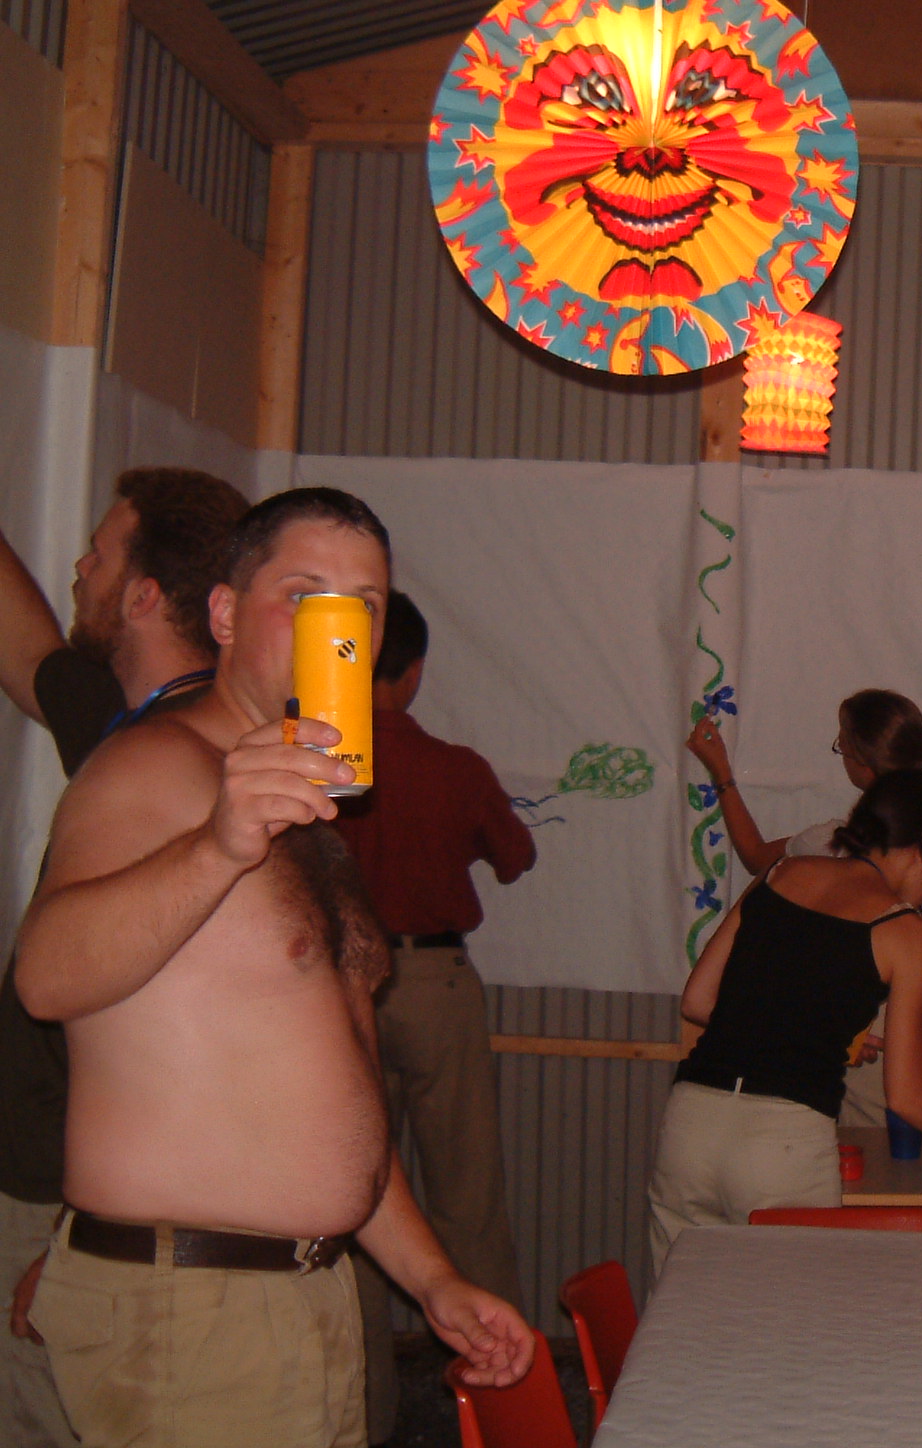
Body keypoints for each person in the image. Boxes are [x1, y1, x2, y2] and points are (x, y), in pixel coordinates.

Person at [14, 487, 532, 1447]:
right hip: (193, 1309)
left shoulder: (307, 816)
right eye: (303, 595)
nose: (337, 626)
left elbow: (332, 1097)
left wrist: (432, 1280)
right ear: (223, 614)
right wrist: (218, 843)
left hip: (303, 1295)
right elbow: (45, 977)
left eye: (362, 605)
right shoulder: (156, 767)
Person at [0, 467, 249, 1448]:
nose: (79, 566)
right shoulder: (125, 723)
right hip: (57, 1185)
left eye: (99, 556)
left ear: (143, 595)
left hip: (89, 1202)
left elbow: (203, 1055)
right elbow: (30, 655)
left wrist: (79, 1233)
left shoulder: (189, 771)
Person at [647, 770, 922, 1262]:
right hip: (782, 1144)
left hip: (691, 1126)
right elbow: (908, 1097)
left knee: (681, 1305)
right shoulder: (905, 931)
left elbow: (698, 1001)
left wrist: (827, 1035)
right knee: (792, 1308)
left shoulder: (783, 873)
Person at [332, 591, 536, 1446]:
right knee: (466, 1197)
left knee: (349, 1195)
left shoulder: (319, 763)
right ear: (413, 673)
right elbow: (516, 856)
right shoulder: (455, 767)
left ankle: (362, 1411)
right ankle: (505, 1408)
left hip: (336, 988)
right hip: (434, 978)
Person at [687, 689, 922, 1125]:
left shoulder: (833, 842)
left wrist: (723, 775)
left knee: (867, 1157)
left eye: (842, 746)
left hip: (873, 1020)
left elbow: (755, 856)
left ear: (862, 764)